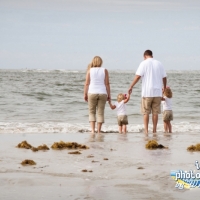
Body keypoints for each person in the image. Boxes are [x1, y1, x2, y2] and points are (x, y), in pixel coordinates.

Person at [128, 50, 167, 135]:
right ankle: (154, 130)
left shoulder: (143, 63)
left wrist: (131, 86)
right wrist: (164, 87)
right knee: (155, 113)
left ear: (144, 56)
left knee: (146, 112)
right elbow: (164, 77)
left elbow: (138, 76)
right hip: (157, 92)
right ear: (152, 55)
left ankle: (146, 131)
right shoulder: (159, 63)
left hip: (147, 92)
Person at [84, 56, 111, 135]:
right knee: (100, 112)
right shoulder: (105, 70)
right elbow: (107, 84)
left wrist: (85, 94)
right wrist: (109, 95)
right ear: (101, 62)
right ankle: (99, 131)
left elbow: (86, 84)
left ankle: (92, 130)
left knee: (92, 112)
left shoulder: (89, 71)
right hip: (102, 92)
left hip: (92, 92)